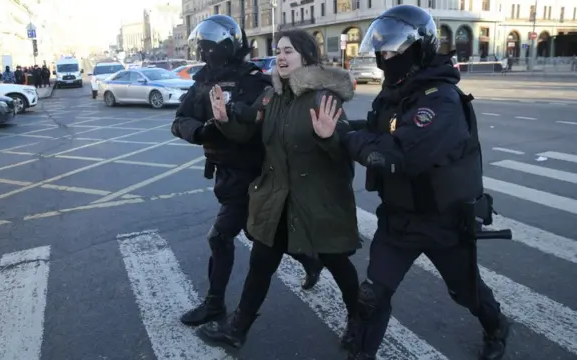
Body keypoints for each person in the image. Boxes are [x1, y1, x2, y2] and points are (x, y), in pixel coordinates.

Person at [328, 5, 509, 360]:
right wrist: (337, 126)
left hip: (444, 222)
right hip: (399, 220)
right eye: (382, 50)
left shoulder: (439, 100)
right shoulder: (397, 92)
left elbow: (400, 156)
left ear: (419, 48)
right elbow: (377, 129)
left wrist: (343, 140)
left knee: (465, 292)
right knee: (372, 296)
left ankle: (496, 325)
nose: (385, 56)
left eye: (394, 50)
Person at [197, 29, 362, 354]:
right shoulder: (272, 97)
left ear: (307, 57)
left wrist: (330, 137)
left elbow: (344, 157)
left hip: (316, 204)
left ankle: (358, 321)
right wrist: (224, 119)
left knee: (338, 264)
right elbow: (248, 134)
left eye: (289, 51)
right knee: (261, 263)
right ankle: (237, 328)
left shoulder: (322, 97)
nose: (281, 57)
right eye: (279, 52)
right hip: (278, 200)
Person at [171, 15, 324, 328]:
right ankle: (310, 258)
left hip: (254, 173)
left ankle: (215, 305)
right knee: (262, 235)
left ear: (222, 47)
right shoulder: (203, 80)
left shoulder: (253, 79)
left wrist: (229, 122)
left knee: (221, 236)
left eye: (209, 47)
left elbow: (263, 123)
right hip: (225, 172)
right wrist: (200, 132)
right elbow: (179, 119)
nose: (205, 52)